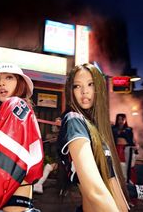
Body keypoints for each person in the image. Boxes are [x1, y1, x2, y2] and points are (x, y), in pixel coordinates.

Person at [58, 63, 130, 212]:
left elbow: (111, 180)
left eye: (90, 84)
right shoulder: (74, 120)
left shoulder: (95, 127)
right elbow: (94, 191)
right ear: (70, 91)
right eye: (77, 86)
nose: (84, 91)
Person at [0, 62, 44, 212]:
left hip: (11, 200)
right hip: (14, 200)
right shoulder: (11, 111)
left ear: (20, 83)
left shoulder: (14, 105)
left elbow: (3, 169)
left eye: (9, 77)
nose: (2, 84)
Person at [33, 117, 61, 194]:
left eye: (56, 125)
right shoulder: (53, 135)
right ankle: (38, 185)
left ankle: (39, 185)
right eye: (54, 124)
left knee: (49, 167)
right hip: (59, 160)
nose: (54, 126)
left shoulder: (64, 134)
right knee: (48, 167)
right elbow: (48, 137)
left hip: (67, 161)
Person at [112, 113, 138, 184]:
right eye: (119, 119)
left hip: (126, 148)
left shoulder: (129, 129)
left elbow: (131, 140)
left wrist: (135, 147)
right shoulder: (113, 128)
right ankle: (119, 182)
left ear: (125, 120)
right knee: (117, 165)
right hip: (117, 148)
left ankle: (127, 182)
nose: (120, 121)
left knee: (127, 166)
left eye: (122, 119)